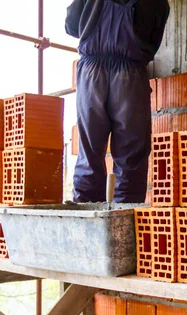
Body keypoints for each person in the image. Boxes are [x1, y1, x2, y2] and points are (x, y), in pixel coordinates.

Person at [65, 0, 170, 203]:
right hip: (130, 75)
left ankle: (86, 228)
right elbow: (154, 38)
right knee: (131, 158)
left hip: (91, 75)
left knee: (89, 156)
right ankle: (124, 227)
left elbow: (71, 25)